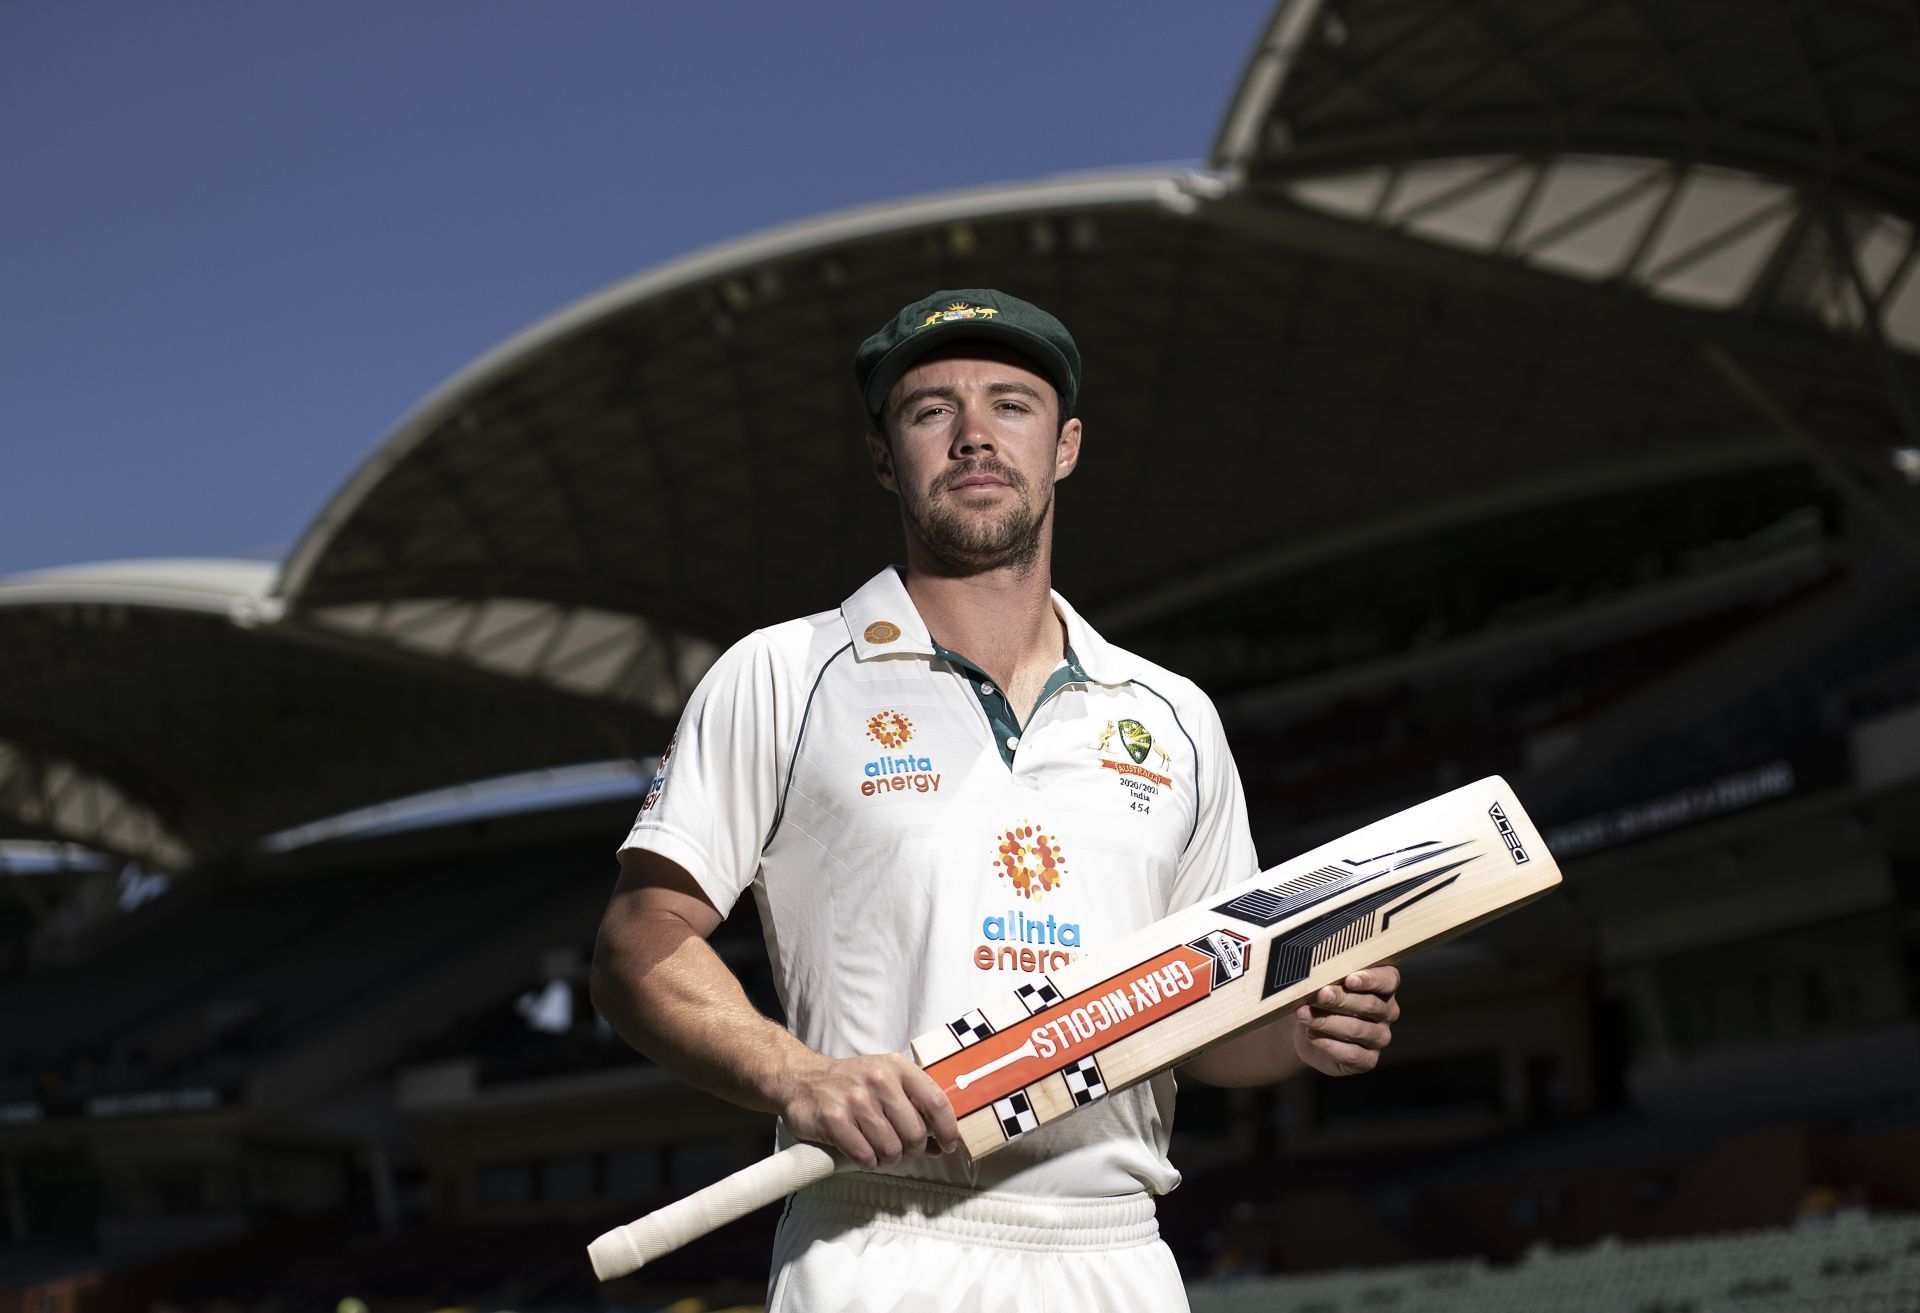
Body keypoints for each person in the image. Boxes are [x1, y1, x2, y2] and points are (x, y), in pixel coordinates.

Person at [590, 289, 1402, 1312]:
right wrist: (796, 1075)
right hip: (883, 1237)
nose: (974, 435)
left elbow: (1201, 1008)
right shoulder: (784, 674)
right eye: (932, 411)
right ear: (885, 457)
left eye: (1010, 405)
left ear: (1064, 445)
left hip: (1118, 1253)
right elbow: (638, 942)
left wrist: (1297, 1031)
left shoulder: (1174, 713)